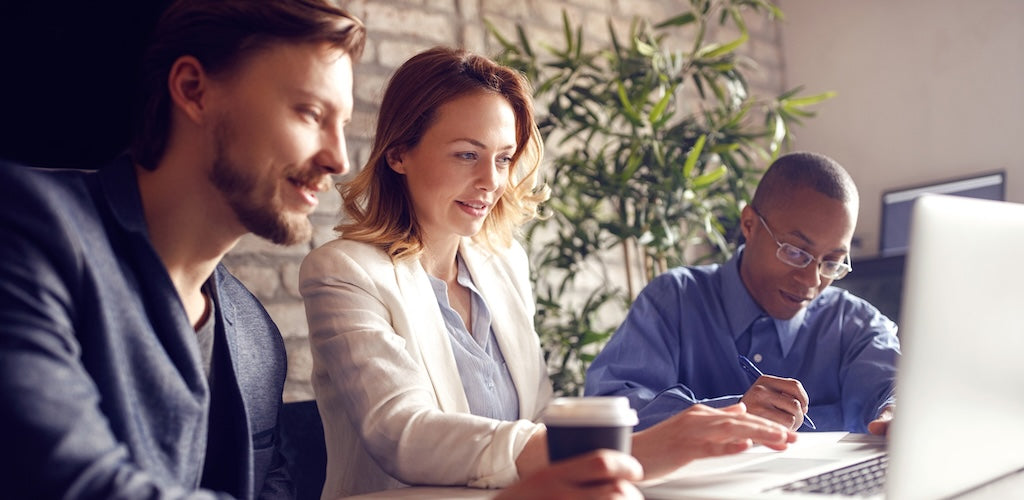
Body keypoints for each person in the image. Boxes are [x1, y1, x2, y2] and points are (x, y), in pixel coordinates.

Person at [299, 46, 798, 498]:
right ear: (398, 154)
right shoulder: (343, 272)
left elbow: (539, 416)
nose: (491, 181)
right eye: (467, 154)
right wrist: (631, 454)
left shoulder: (502, 263)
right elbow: (404, 434)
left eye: (503, 158)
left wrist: (673, 432)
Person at [0, 0, 365, 497]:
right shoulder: (28, 232)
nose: (338, 159)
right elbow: (72, 481)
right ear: (194, 90)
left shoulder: (257, 337)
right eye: (310, 113)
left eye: (343, 125)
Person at [585, 152, 901, 436]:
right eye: (795, 252)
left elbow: (894, 390)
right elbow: (610, 410)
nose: (811, 279)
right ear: (749, 225)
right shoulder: (674, 300)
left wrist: (900, 412)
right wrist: (731, 414)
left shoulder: (857, 325)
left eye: (831, 262)